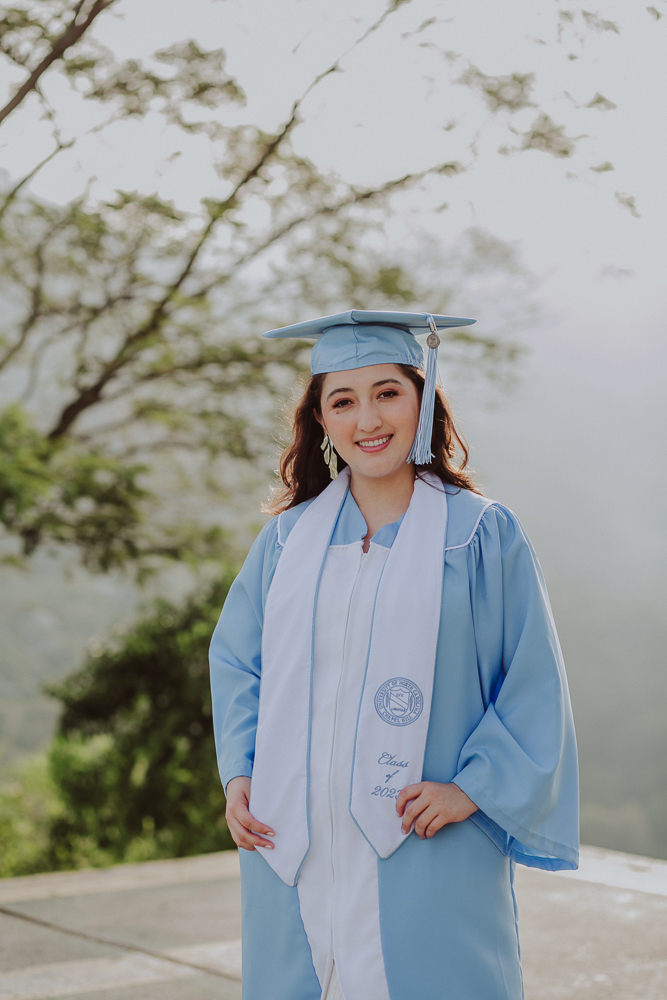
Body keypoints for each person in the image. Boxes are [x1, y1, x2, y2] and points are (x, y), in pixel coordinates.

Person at [209, 310, 579, 1000]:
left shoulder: (478, 537)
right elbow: (237, 663)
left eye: (387, 393)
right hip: (292, 838)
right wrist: (240, 775)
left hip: (423, 838)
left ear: (420, 399)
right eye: (341, 401)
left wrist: (474, 786)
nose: (367, 419)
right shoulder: (288, 542)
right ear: (319, 421)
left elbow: (530, 678)